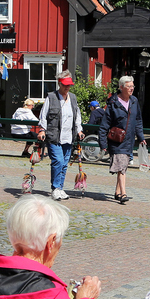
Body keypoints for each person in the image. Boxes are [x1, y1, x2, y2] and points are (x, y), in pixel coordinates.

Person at [37, 70, 84, 201]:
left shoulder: (73, 98)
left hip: (69, 136)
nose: (67, 87)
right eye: (65, 85)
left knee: (64, 163)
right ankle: (55, 188)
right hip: (54, 136)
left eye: (69, 85)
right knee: (58, 161)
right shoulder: (51, 97)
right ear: (59, 83)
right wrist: (42, 130)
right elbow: (43, 116)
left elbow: (77, 116)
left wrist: (79, 130)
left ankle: (60, 189)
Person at [98, 76, 145, 204]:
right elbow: (104, 125)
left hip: (129, 140)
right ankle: (123, 193)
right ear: (121, 87)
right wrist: (102, 143)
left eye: (132, 86)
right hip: (117, 140)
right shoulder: (113, 103)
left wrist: (141, 137)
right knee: (121, 166)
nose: (132, 89)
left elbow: (138, 121)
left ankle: (117, 192)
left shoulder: (134, 101)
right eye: (129, 86)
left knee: (122, 165)